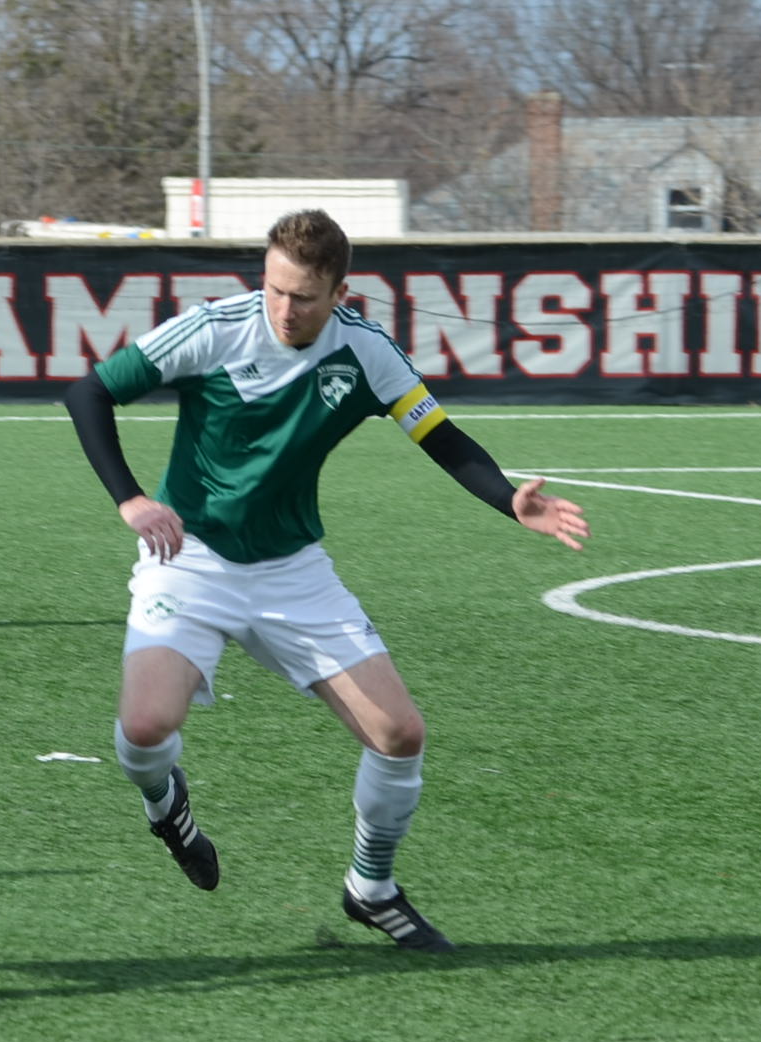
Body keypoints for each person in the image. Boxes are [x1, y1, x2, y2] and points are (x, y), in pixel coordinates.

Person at [65, 209, 590, 951]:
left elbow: (439, 436)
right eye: (274, 290)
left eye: (304, 297)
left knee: (400, 734)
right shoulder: (213, 329)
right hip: (193, 559)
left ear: (341, 293)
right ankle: (165, 804)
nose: (284, 309)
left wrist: (510, 500)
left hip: (293, 572)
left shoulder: (365, 350)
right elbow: (89, 394)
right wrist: (131, 499)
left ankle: (371, 888)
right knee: (147, 727)